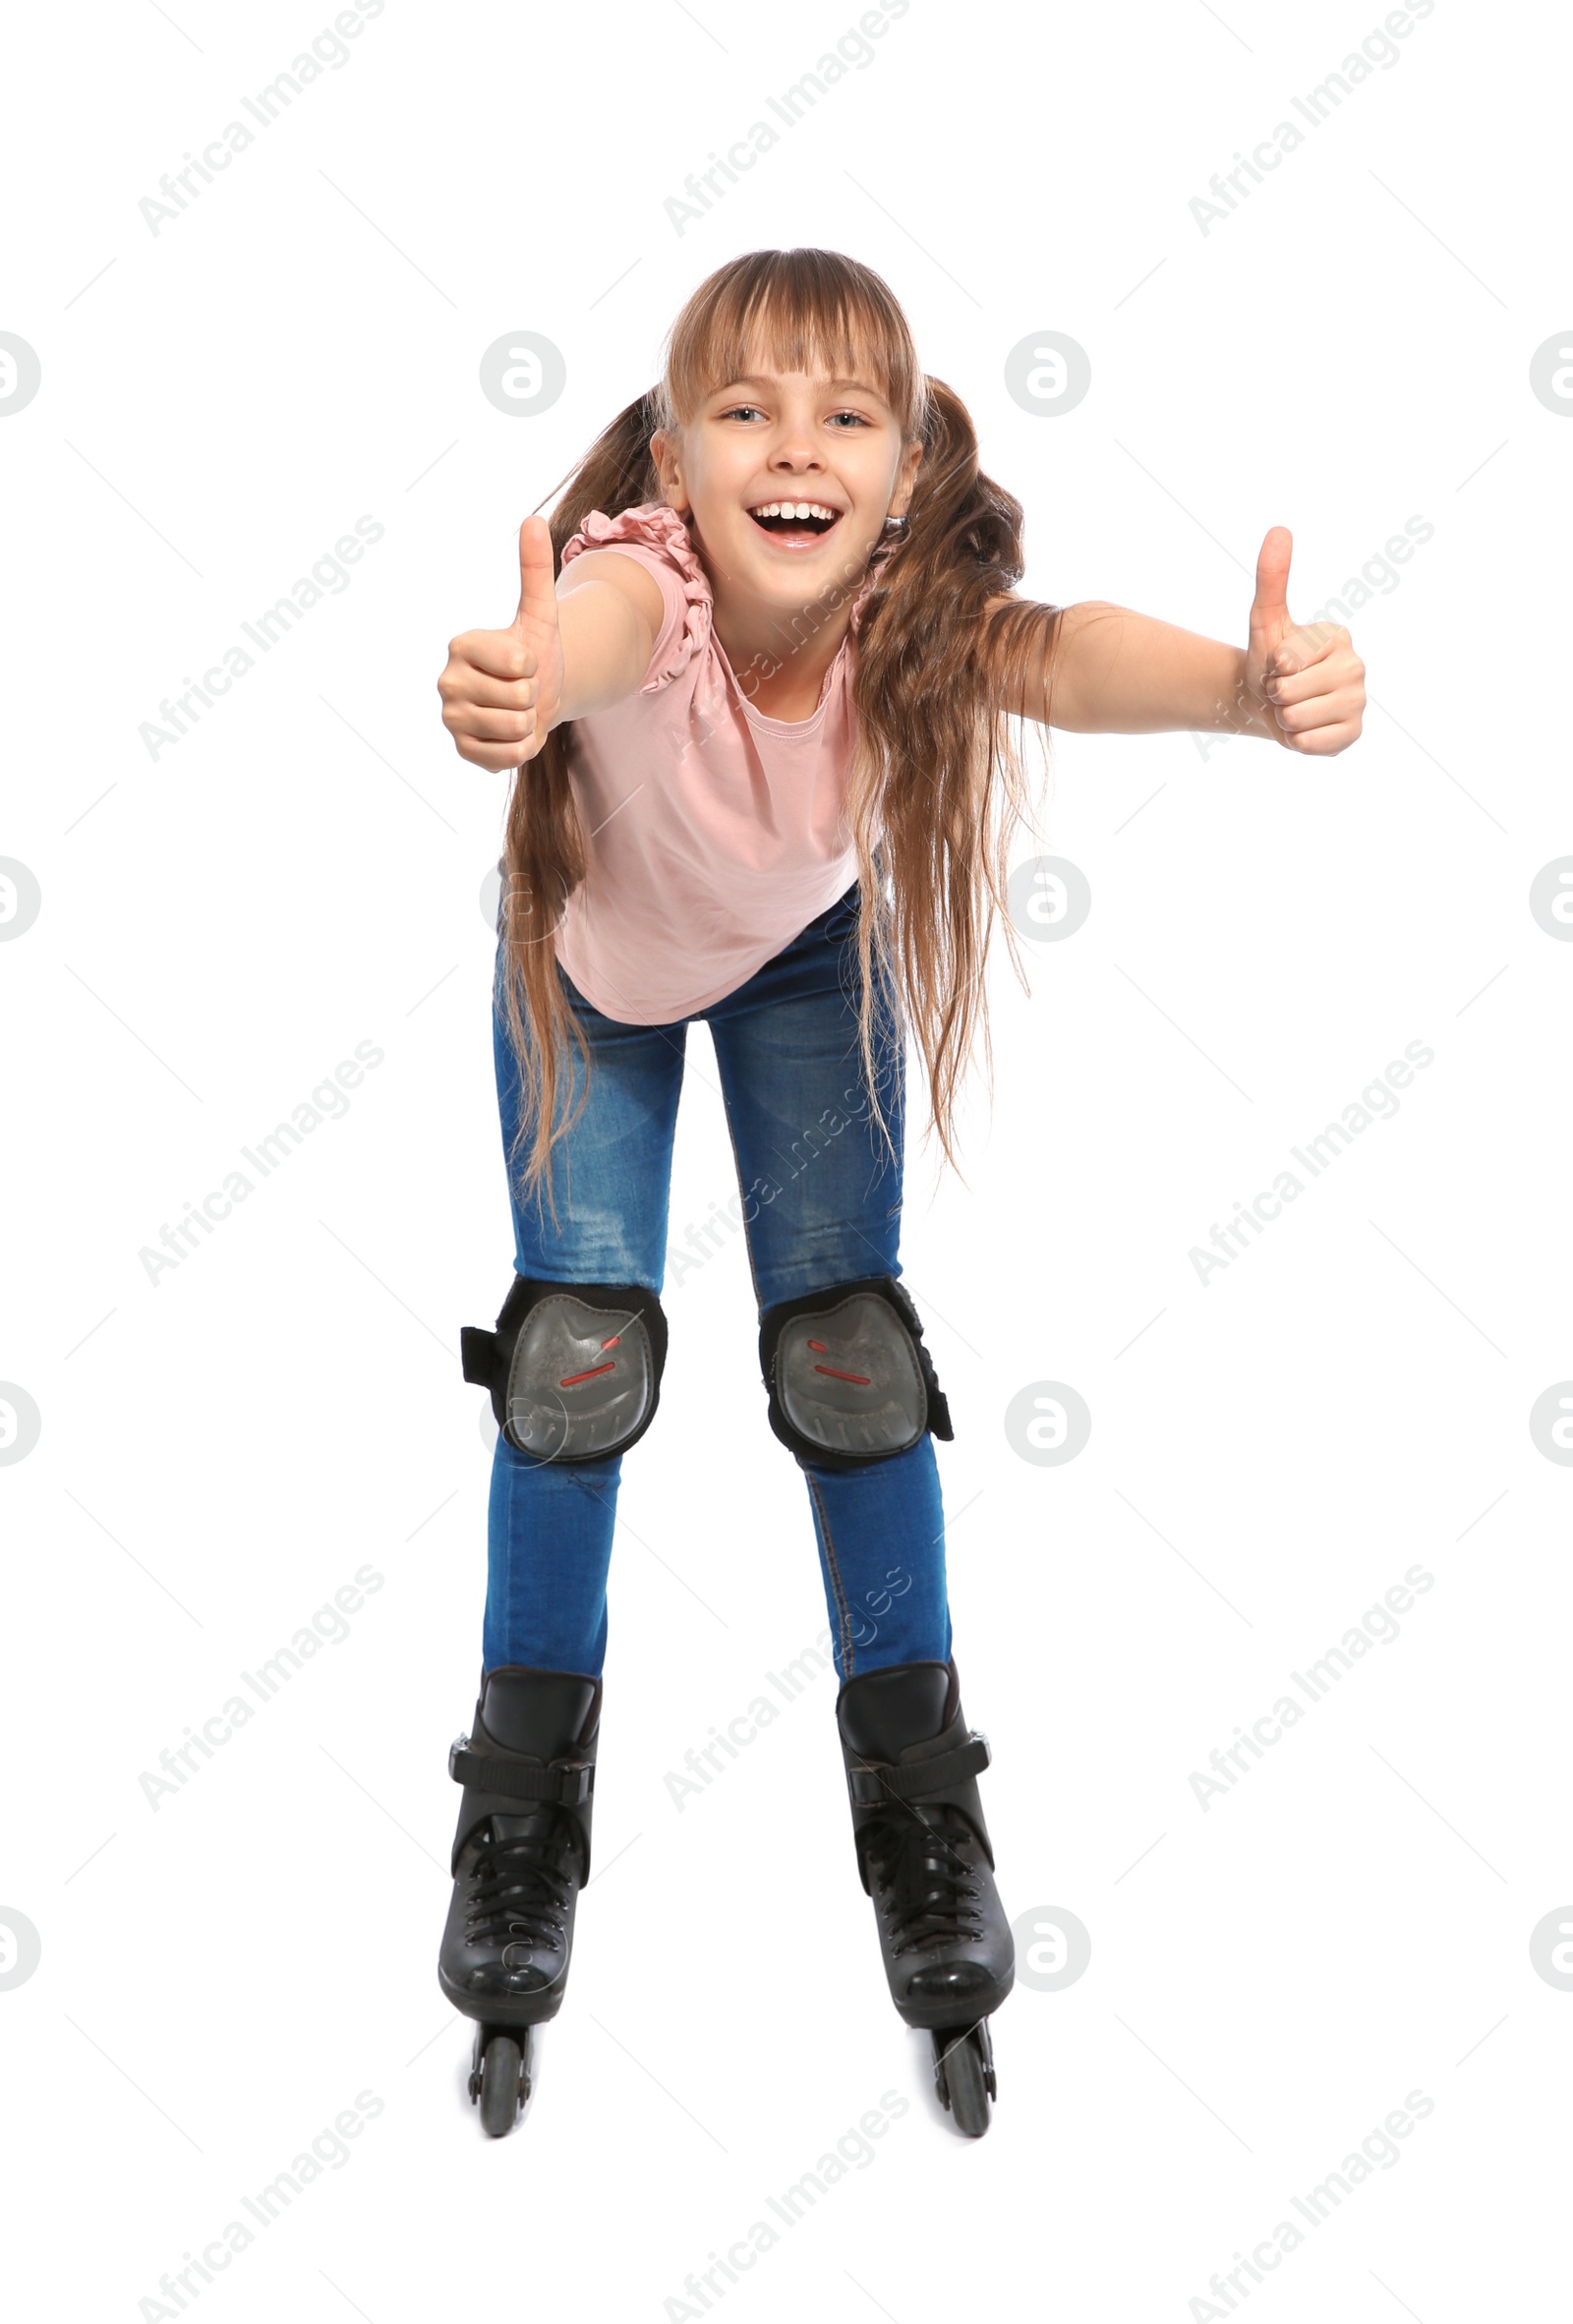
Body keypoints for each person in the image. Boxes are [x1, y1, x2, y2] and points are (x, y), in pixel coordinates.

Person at [432, 246, 1367, 2138]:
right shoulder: (656, 586)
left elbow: (1068, 647)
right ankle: (519, 1815)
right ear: (678, 462)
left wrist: (1240, 691)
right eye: (747, 412)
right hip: (595, 969)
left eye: (847, 415)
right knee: (577, 1360)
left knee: (850, 1355)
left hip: (797, 958)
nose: (798, 448)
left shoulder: (908, 617)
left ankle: (923, 1812)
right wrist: (529, 680)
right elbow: (598, 630)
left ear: (905, 461)